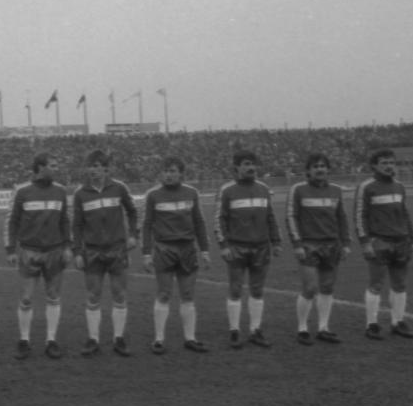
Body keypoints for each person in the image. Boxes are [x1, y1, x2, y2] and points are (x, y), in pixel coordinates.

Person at [5, 152, 73, 360]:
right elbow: (13, 221)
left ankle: (51, 340)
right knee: (26, 298)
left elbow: (65, 221)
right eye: (52, 165)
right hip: (29, 251)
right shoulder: (22, 191)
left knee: (53, 296)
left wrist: (68, 247)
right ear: (40, 168)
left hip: (54, 251)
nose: (56, 169)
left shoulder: (60, 191)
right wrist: (10, 249)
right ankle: (24, 340)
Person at [141, 156, 211, 354]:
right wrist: (146, 253)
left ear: (181, 173)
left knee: (187, 294)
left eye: (172, 171)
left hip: (188, 249)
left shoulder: (191, 193)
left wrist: (204, 250)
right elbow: (146, 225)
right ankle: (159, 339)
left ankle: (190, 338)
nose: (168, 175)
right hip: (164, 249)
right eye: (165, 171)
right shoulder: (153, 195)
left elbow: (199, 223)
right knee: (163, 293)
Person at [71, 149, 138, 357]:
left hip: (117, 250)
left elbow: (133, 211)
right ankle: (93, 340)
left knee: (119, 294)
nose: (94, 170)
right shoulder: (81, 194)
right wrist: (78, 252)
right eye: (91, 166)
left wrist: (133, 235)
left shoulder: (119, 188)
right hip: (92, 252)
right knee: (93, 296)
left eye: (98, 166)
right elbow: (77, 225)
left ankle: (119, 338)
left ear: (106, 168)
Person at [214, 151, 282, 349]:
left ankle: (255, 330)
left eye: (253, 164)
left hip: (261, 247)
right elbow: (219, 219)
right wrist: (223, 245)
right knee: (235, 289)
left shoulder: (263, 189)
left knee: (257, 289)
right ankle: (234, 331)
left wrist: (276, 241)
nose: (251, 168)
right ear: (236, 168)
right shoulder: (227, 190)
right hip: (237, 247)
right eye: (246, 164)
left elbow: (270, 217)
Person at [286, 153, 351, 345]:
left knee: (328, 287)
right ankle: (302, 328)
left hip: (332, 244)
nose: (320, 169)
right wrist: (297, 244)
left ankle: (323, 328)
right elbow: (291, 217)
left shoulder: (336, 190)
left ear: (328, 169)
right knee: (310, 287)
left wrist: (346, 243)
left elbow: (342, 218)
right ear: (308, 171)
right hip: (308, 245)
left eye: (323, 166)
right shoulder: (298, 190)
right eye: (315, 166)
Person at [354, 149, 413, 340]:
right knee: (376, 284)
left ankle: (398, 322)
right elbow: (360, 216)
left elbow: (404, 214)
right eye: (384, 162)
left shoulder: (399, 186)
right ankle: (371, 325)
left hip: (402, 241)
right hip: (379, 241)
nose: (389, 166)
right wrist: (365, 242)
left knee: (400, 284)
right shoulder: (367, 187)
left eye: (392, 162)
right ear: (374, 165)